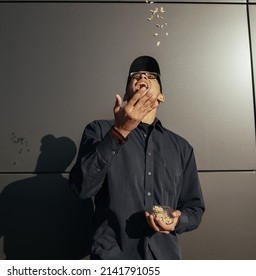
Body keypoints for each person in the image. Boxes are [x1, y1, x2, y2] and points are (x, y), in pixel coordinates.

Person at [69, 56, 205, 260]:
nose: (142, 76)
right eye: (136, 76)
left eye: (152, 76)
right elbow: (82, 188)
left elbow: (194, 207)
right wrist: (119, 131)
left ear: (161, 96)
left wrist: (178, 221)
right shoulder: (99, 131)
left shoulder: (181, 147)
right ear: (125, 94)